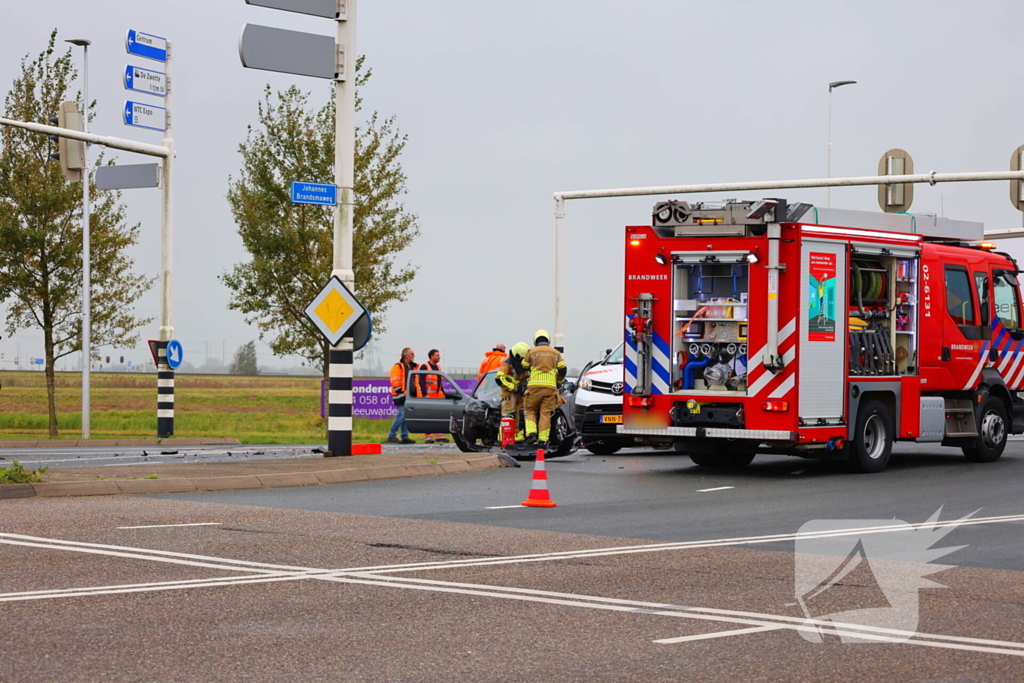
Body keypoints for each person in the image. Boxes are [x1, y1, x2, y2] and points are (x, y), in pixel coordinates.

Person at [521, 330, 567, 448]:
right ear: (548, 340)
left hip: (534, 387)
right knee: (545, 413)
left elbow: (524, 367)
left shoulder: (530, 352)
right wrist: (558, 381)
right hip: (550, 388)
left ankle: (531, 434)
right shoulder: (556, 353)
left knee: (530, 410)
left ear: (535, 340)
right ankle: (543, 440)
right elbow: (563, 370)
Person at [495, 342, 530, 444]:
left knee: (519, 413)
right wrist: (513, 387)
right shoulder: (507, 363)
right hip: (509, 393)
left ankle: (516, 436)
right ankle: (503, 437)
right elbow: (499, 379)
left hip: (520, 393)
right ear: (517, 355)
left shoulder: (524, 363)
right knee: (508, 414)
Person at [387, 347, 418, 444]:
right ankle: (391, 435)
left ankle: (405, 436)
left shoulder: (413, 367)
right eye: (412, 354)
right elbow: (395, 382)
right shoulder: (398, 367)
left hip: (409, 395)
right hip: (399, 395)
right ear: (406, 355)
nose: (414, 356)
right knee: (402, 415)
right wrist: (402, 391)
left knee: (405, 416)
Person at [418, 349, 450, 444]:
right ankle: (427, 437)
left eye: (439, 355)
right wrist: (425, 394)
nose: (439, 357)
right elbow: (421, 381)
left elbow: (440, 382)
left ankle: (439, 436)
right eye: (437, 355)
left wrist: (443, 393)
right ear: (431, 356)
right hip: (428, 396)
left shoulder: (438, 367)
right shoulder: (424, 366)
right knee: (428, 416)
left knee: (438, 416)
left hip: (438, 396)